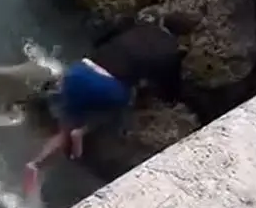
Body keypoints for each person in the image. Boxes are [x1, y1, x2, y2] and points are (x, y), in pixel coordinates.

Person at [23, 20, 184, 192]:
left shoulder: (138, 25)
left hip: (80, 70)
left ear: (162, 22)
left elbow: (104, 35)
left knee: (64, 129)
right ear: (181, 36)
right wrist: (170, 99)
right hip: (109, 87)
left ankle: (36, 164)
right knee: (117, 109)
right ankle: (83, 131)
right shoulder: (171, 50)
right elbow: (169, 84)